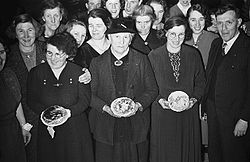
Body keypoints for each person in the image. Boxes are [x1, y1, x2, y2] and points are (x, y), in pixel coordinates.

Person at [89, 17, 158, 162]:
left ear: (131, 39)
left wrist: (138, 105)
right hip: (106, 126)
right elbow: (89, 94)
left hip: (135, 124)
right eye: (117, 37)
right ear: (109, 38)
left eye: (125, 37)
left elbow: (152, 90)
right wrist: (106, 108)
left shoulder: (142, 59)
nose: (121, 41)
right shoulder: (96, 63)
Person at [27, 32, 94, 162]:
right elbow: (31, 100)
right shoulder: (36, 73)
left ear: (68, 54)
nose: (53, 58)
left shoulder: (78, 72)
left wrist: (67, 113)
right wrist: (49, 117)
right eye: (49, 53)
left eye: (58, 54)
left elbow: (84, 101)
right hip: (48, 129)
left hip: (75, 130)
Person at [148, 16, 206, 162]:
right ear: (165, 33)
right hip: (163, 113)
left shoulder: (193, 54)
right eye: (172, 33)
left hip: (188, 113)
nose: (176, 38)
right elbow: (147, 85)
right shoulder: (154, 56)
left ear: (185, 34)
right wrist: (159, 100)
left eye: (180, 34)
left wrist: (193, 99)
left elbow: (201, 82)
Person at [201, 3, 250, 162]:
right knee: (215, 155)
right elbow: (210, 76)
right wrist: (205, 106)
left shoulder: (247, 46)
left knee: (235, 156)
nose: (223, 28)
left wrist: (245, 119)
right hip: (214, 115)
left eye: (229, 22)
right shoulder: (216, 44)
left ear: (239, 22)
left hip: (235, 118)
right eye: (219, 23)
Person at [6, 13, 47, 162]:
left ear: (36, 30)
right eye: (20, 31)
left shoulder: (47, 49)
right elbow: (11, 95)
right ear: (15, 34)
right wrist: (23, 125)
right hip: (25, 120)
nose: (26, 35)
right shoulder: (7, 57)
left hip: (50, 114)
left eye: (29, 30)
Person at [0, 38, 31, 162]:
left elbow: (17, 102)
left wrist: (24, 127)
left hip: (13, 132)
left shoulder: (8, 75)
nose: (0, 58)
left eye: (2, 52)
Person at [185, 3, 218, 69]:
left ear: (205, 20)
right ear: (188, 20)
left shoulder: (215, 39)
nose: (198, 24)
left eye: (201, 19)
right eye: (193, 20)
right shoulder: (181, 38)